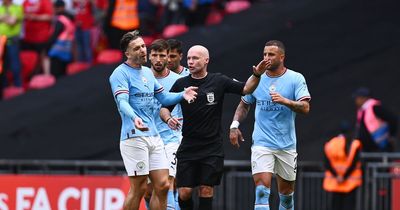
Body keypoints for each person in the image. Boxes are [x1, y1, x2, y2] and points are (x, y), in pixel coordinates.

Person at [160, 44, 269, 210]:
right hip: (188, 145)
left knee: (206, 189)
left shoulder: (218, 81)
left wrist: (256, 74)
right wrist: (168, 119)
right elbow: (164, 107)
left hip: (212, 147)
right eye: (188, 58)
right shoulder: (181, 83)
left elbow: (246, 88)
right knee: (184, 192)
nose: (190, 61)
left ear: (206, 60)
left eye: (195, 58)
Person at [109, 30, 197, 210]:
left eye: (143, 46)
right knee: (140, 188)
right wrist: (134, 118)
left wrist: (182, 94)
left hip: (154, 137)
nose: (143, 50)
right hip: (134, 136)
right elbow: (122, 102)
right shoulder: (120, 73)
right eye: (137, 48)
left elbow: (163, 97)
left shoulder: (147, 73)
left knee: (163, 185)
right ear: (127, 53)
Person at [229, 40, 311, 210]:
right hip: (262, 144)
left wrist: (285, 101)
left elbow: (305, 107)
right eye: (265, 54)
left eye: (271, 54)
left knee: (286, 197)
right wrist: (234, 125)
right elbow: (244, 104)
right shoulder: (256, 79)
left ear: (282, 57)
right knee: (261, 191)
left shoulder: (295, 78)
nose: (266, 58)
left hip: (286, 145)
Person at [146, 38, 184, 210]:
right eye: (155, 55)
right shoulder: (140, 80)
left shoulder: (179, 81)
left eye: (163, 55)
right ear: (149, 57)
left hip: (171, 140)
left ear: (168, 57)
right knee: (147, 191)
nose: (159, 59)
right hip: (147, 140)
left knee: (167, 183)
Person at [323, 121, 362, 210]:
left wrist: (337, 176)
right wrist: (344, 176)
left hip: (336, 182)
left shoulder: (330, 144)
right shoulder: (354, 144)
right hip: (350, 182)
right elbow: (354, 163)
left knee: (335, 206)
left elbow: (327, 163)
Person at [353, 87, 398, 152]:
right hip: (369, 148)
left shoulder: (375, 107)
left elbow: (393, 119)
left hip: (380, 146)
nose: (356, 101)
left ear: (363, 98)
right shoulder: (362, 110)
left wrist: (391, 135)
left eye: (357, 98)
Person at [22, 0, 53, 75]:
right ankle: (33, 75)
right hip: (28, 36)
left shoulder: (45, 2)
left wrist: (35, 17)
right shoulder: (26, 2)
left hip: (41, 35)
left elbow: (49, 17)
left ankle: (46, 75)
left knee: (43, 55)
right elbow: (21, 14)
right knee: (30, 58)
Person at [47, 0, 75, 78]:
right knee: (64, 69)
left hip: (58, 46)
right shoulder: (69, 17)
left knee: (56, 70)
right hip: (68, 44)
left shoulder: (61, 19)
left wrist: (48, 44)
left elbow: (56, 33)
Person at [0, 0, 24, 90]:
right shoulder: (1, 8)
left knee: (14, 63)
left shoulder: (17, 8)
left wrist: (2, 18)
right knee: (3, 64)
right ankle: (4, 86)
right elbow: (9, 19)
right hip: (1, 40)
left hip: (12, 39)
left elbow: (12, 21)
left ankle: (18, 86)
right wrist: (7, 17)